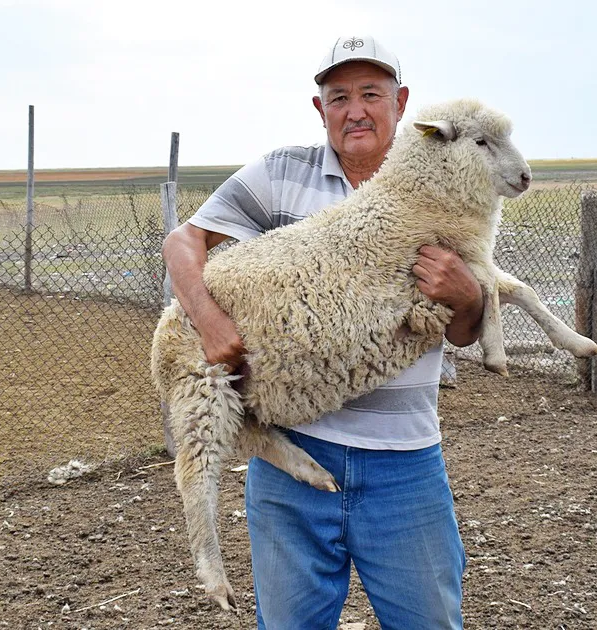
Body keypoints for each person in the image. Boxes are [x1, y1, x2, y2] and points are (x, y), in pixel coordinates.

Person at [162, 35, 482, 630]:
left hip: (406, 465)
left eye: (370, 93)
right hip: (292, 464)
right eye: (338, 97)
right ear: (320, 108)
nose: (355, 109)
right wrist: (208, 321)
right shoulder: (281, 174)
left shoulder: (446, 184)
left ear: (401, 101)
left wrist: (469, 295)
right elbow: (184, 241)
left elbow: (465, 332)